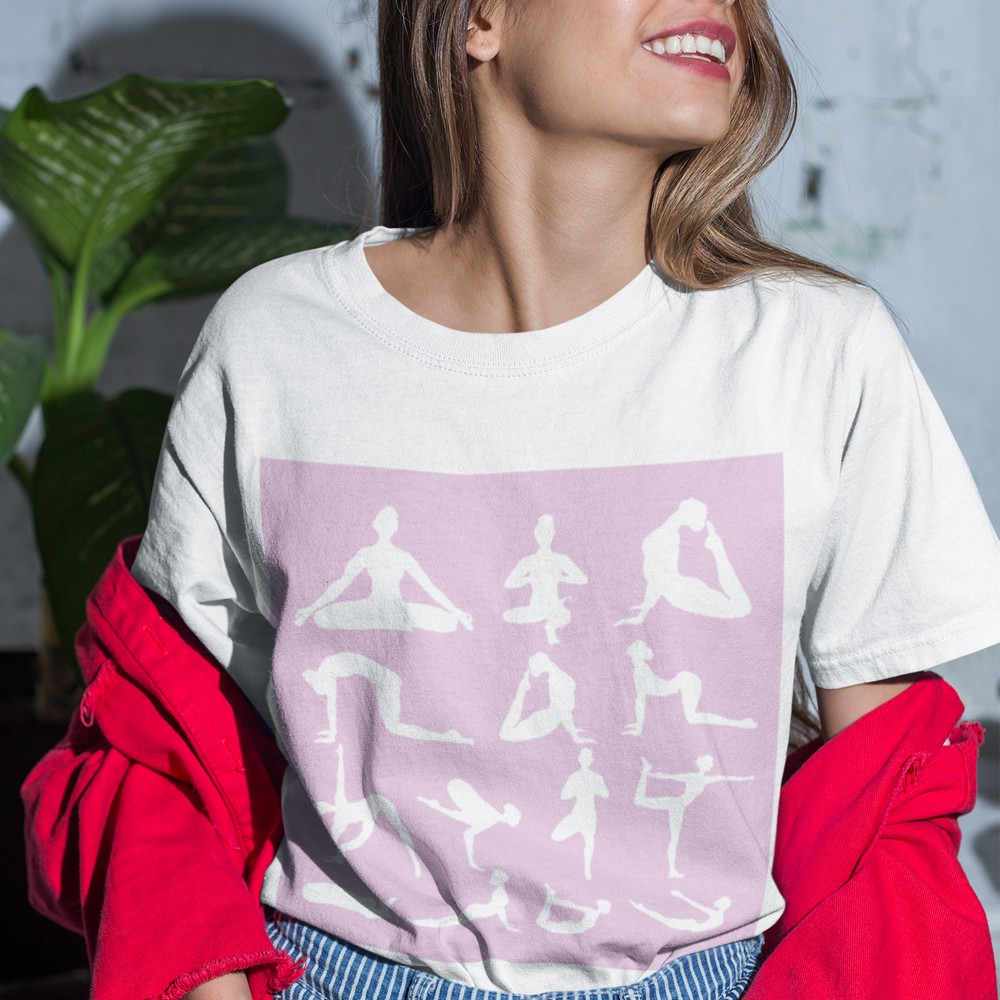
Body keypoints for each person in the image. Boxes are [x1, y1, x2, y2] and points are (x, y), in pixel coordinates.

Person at [40, 0, 1000, 998]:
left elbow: (885, 805)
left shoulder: (819, 351)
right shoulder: (276, 343)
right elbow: (158, 748)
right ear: (480, 19)